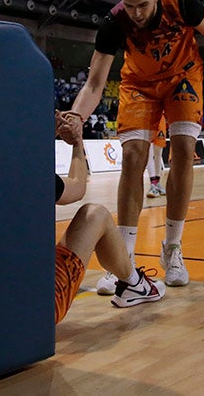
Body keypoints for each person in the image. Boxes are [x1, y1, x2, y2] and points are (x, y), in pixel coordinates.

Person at [70, 0, 204, 290]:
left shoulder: (183, 3)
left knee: (183, 148)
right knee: (132, 156)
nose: (137, 13)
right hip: (139, 84)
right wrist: (76, 116)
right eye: (130, 6)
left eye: (142, 4)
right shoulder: (114, 22)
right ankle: (122, 258)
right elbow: (95, 83)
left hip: (183, 77)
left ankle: (172, 248)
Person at [53, 110, 165, 320]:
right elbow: (77, 187)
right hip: (36, 303)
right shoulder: (30, 173)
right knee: (96, 214)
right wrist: (77, 142)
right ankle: (134, 283)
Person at [146, 117, 167, 198]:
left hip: (160, 121)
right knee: (149, 154)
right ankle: (153, 184)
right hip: (147, 119)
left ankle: (157, 183)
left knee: (158, 154)